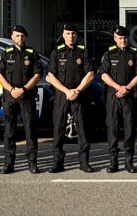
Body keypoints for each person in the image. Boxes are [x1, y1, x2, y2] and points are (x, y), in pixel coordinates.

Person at [45, 24, 95, 173]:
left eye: (73, 33)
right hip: (62, 94)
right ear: (63, 35)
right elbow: (51, 76)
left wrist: (77, 90)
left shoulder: (83, 51)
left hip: (79, 94)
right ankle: (58, 162)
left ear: (76, 35)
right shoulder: (56, 52)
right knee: (58, 129)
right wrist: (66, 91)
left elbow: (90, 73)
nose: (71, 36)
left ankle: (84, 162)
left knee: (82, 129)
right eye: (68, 33)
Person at [0, 24, 42, 174]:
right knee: (9, 131)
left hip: (26, 96)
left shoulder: (32, 53)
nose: (19, 38)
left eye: (22, 36)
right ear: (12, 37)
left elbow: (37, 75)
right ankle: (9, 163)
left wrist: (24, 89)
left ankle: (32, 163)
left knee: (30, 130)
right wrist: (11, 89)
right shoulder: (6, 54)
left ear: (25, 37)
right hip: (10, 96)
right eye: (17, 35)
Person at [99, 25, 137, 173]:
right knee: (112, 129)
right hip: (113, 96)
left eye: (125, 38)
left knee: (130, 129)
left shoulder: (134, 53)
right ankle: (113, 162)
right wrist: (118, 87)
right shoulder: (109, 54)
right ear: (115, 38)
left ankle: (129, 162)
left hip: (129, 96)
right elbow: (103, 74)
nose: (122, 41)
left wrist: (127, 88)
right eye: (119, 38)